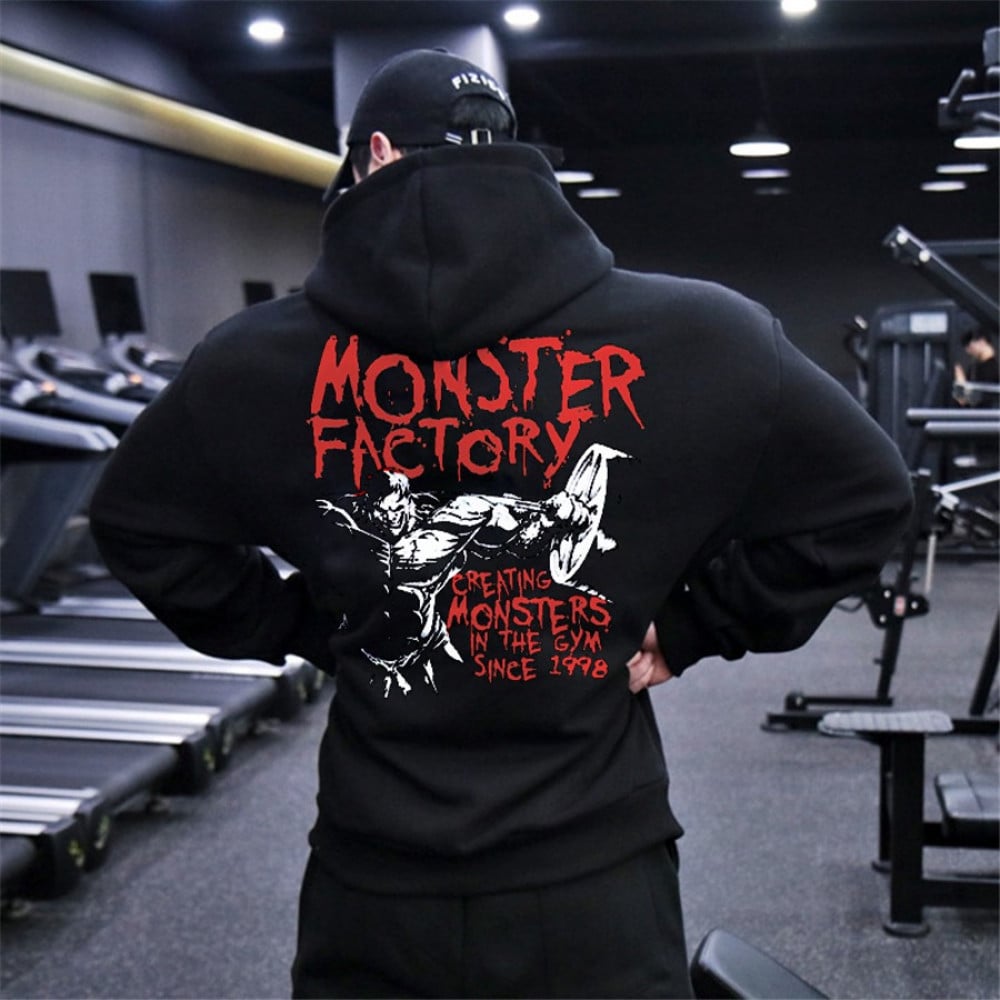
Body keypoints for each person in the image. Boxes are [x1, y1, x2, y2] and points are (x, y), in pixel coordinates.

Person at [88, 48, 913, 999]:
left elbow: (138, 522)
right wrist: (699, 623)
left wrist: (303, 624)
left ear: (374, 156)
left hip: (376, 875)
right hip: (593, 878)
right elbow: (869, 497)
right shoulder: (707, 334)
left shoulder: (250, 358)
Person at [953, 329, 1000, 408]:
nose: (968, 351)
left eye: (969, 345)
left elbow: (963, 399)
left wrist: (960, 382)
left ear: (982, 342)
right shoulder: (975, 369)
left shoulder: (987, 370)